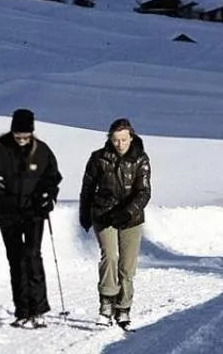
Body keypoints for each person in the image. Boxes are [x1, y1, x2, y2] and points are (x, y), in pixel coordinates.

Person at [0, 108, 61, 327]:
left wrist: (48, 196)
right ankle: (22, 311)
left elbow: (53, 177)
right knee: (15, 259)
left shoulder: (42, 151)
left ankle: (39, 309)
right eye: (18, 136)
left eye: (25, 136)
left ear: (32, 132)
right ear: (12, 132)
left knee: (32, 256)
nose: (22, 140)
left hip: (34, 212)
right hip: (8, 212)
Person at [79, 117, 151, 329]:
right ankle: (106, 305)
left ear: (131, 137)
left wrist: (127, 212)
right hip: (103, 213)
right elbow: (88, 188)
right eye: (116, 139)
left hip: (131, 218)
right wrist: (85, 213)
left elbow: (144, 192)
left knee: (127, 266)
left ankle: (123, 308)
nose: (120, 144)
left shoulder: (141, 159)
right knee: (109, 256)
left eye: (124, 139)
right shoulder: (98, 158)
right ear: (109, 138)